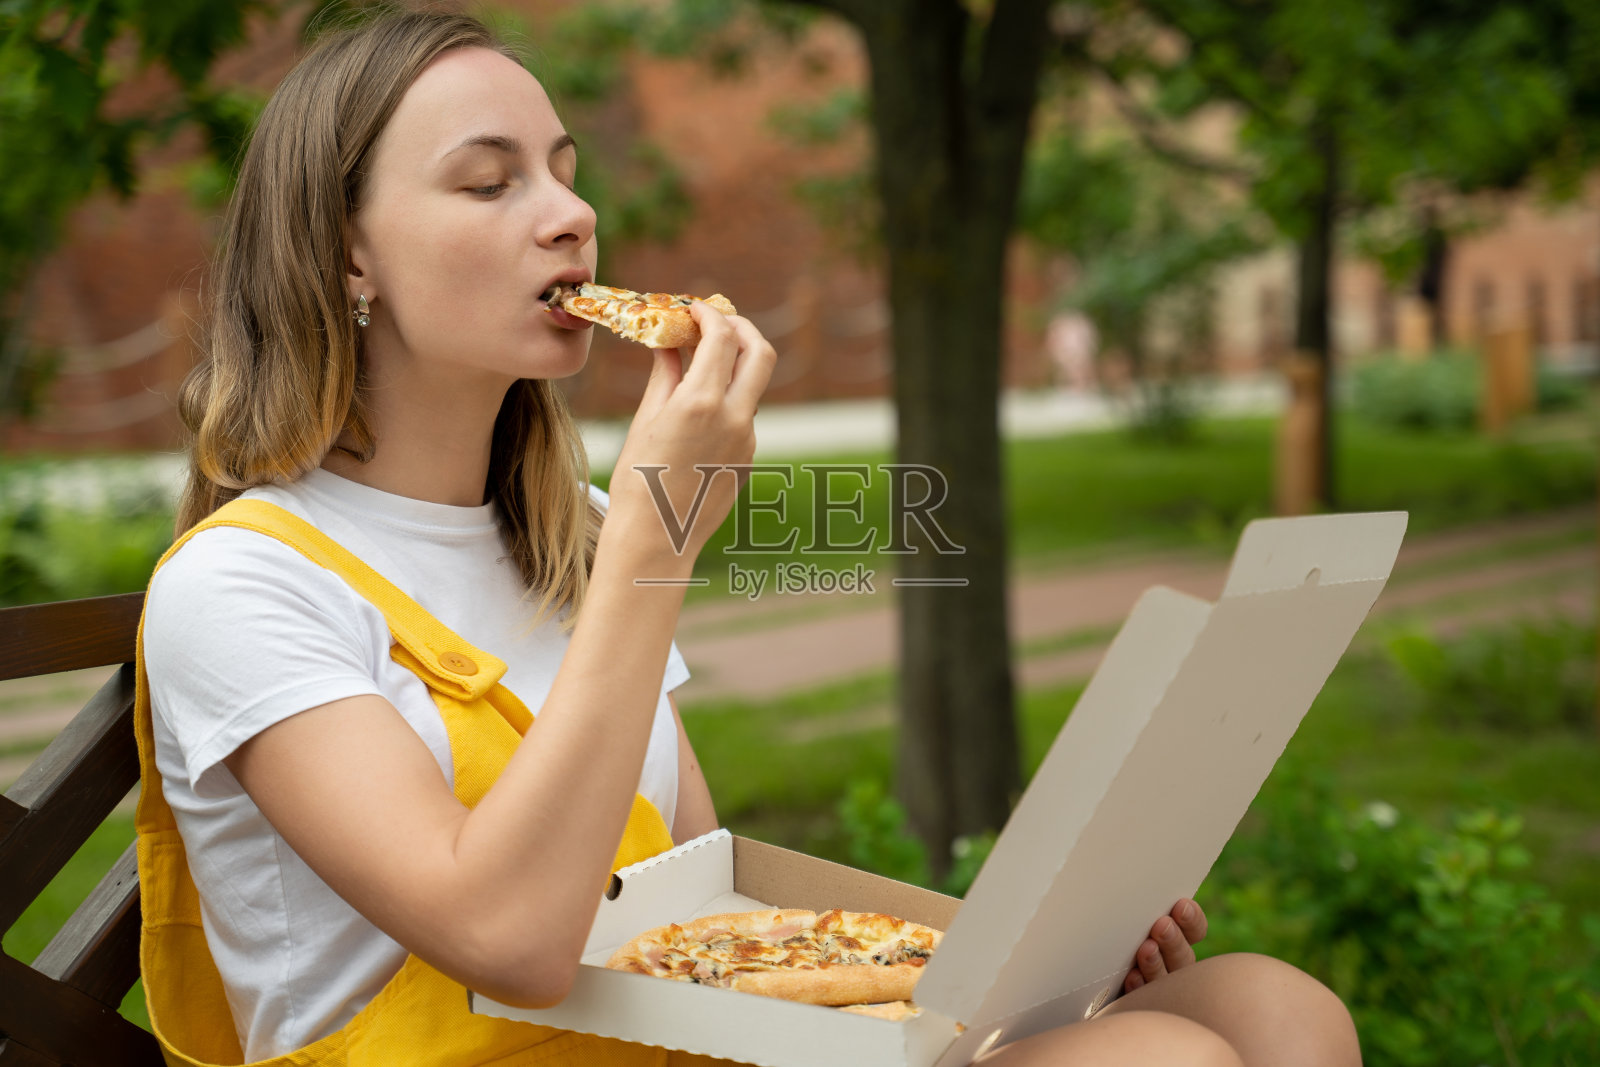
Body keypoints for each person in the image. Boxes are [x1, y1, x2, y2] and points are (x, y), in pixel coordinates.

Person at [137, 10, 1361, 1067]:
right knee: (1170, 1055)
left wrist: (1022, 953)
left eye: (564, 172)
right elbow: (507, 941)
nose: (574, 215)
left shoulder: (571, 530)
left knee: (1271, 1006)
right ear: (347, 251)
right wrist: (653, 543)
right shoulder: (245, 584)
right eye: (490, 182)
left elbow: (694, 912)